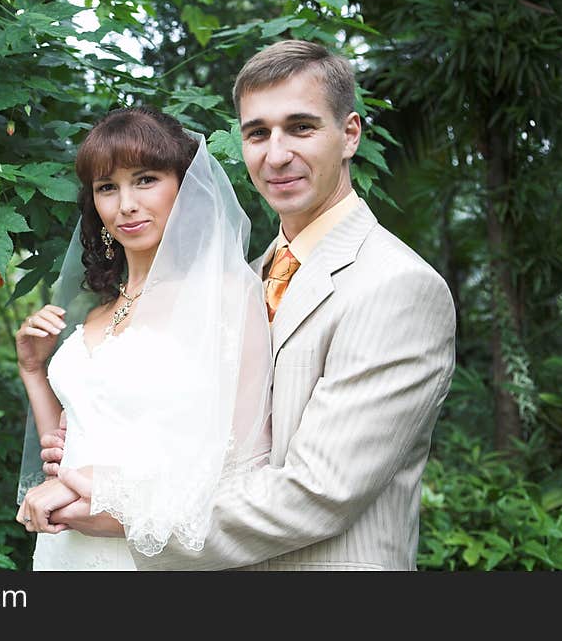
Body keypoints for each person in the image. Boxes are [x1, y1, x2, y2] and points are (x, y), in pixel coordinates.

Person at [42, 39, 457, 571]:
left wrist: (126, 507)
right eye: (258, 133)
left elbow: (320, 491)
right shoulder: (247, 278)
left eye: (301, 127)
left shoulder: (395, 286)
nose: (276, 154)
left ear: (350, 134)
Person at [14, 107, 273, 570]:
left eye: (146, 180)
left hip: (150, 555)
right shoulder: (99, 311)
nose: (125, 204)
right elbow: (71, 442)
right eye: (107, 187)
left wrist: (86, 497)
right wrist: (33, 370)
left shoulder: (228, 299)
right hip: (65, 551)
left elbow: (238, 466)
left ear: (185, 186)